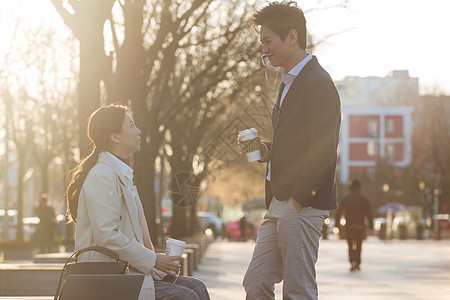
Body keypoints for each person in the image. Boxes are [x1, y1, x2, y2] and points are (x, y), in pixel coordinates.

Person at [238, 2, 341, 299]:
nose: (264, 49)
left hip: (301, 203)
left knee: (298, 291)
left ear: (292, 37)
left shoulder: (319, 83)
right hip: (279, 201)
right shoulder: (289, 82)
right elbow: (295, 143)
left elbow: (323, 149)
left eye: (268, 41)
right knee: (256, 281)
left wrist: (299, 199)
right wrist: (264, 149)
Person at [66, 104, 209, 300]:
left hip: (128, 273)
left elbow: (131, 234)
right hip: (108, 279)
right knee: (186, 297)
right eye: (131, 125)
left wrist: (156, 262)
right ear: (114, 137)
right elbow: (107, 235)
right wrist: (154, 260)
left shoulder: (120, 174)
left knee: (197, 288)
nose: (138, 131)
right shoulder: (102, 175)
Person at [335, 179, 373, 271]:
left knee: (350, 245)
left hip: (350, 226)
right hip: (360, 226)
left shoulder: (346, 199)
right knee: (359, 245)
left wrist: (337, 225)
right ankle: (358, 263)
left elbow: (339, 213)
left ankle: (352, 262)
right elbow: (369, 213)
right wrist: (371, 226)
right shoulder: (364, 199)